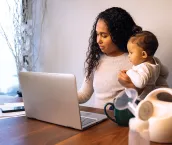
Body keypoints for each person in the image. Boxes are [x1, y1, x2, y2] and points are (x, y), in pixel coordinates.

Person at [77, 7, 168, 109]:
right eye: (97, 34)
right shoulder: (95, 60)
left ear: (118, 35)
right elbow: (84, 94)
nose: (98, 40)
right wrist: (62, 96)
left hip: (120, 121)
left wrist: (134, 89)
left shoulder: (138, 60)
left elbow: (161, 94)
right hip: (97, 119)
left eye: (104, 35)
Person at [118, 31, 169, 100]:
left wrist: (129, 72)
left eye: (131, 52)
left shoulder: (144, 67)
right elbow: (165, 72)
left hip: (144, 98)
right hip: (152, 93)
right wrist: (156, 80)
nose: (129, 56)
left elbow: (140, 83)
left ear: (143, 54)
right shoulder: (155, 60)